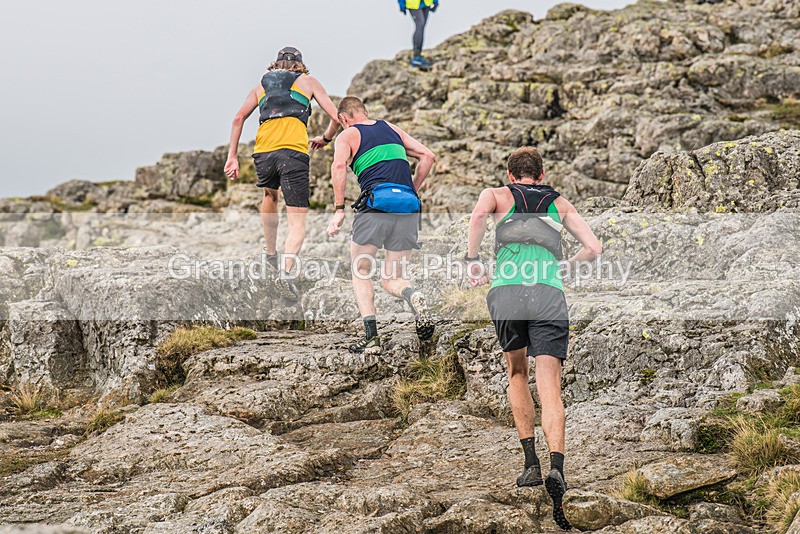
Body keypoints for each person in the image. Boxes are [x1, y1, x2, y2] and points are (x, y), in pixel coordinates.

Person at [466, 147, 602, 531]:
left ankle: (531, 465)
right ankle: (557, 466)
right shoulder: (559, 203)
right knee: (550, 384)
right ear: (541, 175)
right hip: (548, 292)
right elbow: (594, 247)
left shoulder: (496, 195)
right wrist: (569, 266)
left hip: (508, 290)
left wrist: (472, 260)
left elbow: (478, 217)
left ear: (511, 175)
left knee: (516, 373)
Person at [224, 47, 340, 298]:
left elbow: (238, 119)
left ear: (275, 64)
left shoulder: (261, 86)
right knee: (297, 219)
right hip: (293, 152)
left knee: (270, 195)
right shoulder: (308, 82)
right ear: (301, 65)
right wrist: (326, 138)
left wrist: (232, 156)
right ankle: (285, 274)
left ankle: (270, 255)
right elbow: (336, 116)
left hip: (263, 151)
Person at [326, 96, 436, 353]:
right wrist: (411, 190)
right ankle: (413, 295)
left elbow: (338, 166)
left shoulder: (347, 135)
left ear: (343, 118)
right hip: (407, 207)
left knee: (360, 269)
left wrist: (339, 210)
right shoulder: (390, 127)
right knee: (394, 278)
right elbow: (428, 156)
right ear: (365, 111)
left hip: (375, 205)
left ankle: (371, 338)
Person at [398, 0, 439, 68]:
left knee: (421, 27)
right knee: (420, 25)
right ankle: (416, 57)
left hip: (426, 3)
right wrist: (402, 5)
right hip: (413, 4)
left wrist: (435, 1)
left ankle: (418, 56)